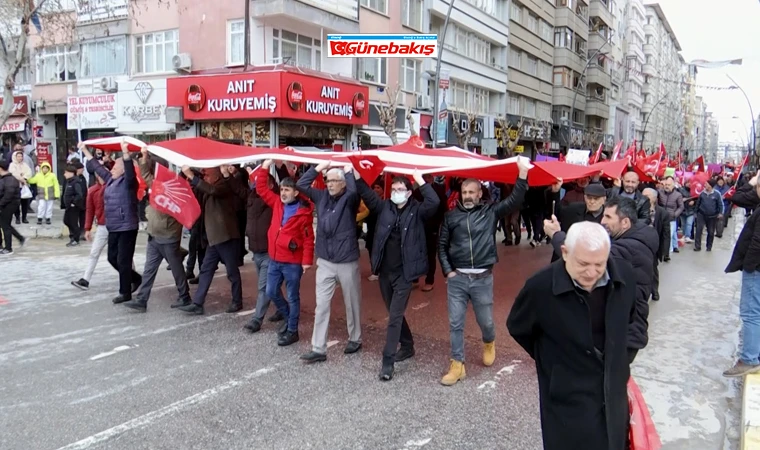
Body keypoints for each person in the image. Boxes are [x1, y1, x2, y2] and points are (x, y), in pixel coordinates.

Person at [507, 221, 637, 450]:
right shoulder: (541, 286)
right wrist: (553, 360)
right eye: (584, 263)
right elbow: (518, 326)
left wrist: (621, 359)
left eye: (600, 264)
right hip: (566, 396)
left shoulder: (624, 275)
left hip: (612, 390)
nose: (592, 272)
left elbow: (632, 319)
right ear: (565, 253)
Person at [437, 157, 530, 386]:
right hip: (458, 279)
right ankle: (457, 365)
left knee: (486, 322)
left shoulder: (489, 212)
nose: (467, 195)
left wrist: (523, 175)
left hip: (482, 279)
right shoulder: (451, 217)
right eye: (464, 192)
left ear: (480, 194)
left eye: (472, 192)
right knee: (455, 323)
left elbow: (514, 201)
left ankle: (489, 341)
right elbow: (441, 245)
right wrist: (449, 271)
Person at [352, 166, 439, 381]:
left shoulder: (417, 210)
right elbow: (366, 192)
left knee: (394, 317)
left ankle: (387, 362)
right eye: (394, 188)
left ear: (409, 192)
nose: (396, 192)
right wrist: (352, 173)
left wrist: (419, 179)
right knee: (394, 312)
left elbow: (434, 202)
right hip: (385, 272)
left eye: (401, 188)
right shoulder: (384, 208)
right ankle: (408, 345)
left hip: (405, 273)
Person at [545, 196, 657, 361]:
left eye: (608, 217)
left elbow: (583, 251)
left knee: (605, 382)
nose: (602, 221)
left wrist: (556, 234)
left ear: (625, 223)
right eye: (603, 215)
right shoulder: (638, 238)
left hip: (623, 334)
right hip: (623, 329)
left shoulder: (629, 248)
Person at [297, 162, 362, 364]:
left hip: (346, 260)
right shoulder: (322, 196)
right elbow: (301, 184)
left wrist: (350, 172)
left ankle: (355, 338)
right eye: (328, 180)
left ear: (343, 183)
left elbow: (354, 190)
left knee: (352, 302)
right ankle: (318, 348)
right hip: (325, 260)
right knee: (321, 305)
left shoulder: (350, 198)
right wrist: (317, 168)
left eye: (334, 180)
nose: (330, 184)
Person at [123, 147, 192, 312]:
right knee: (149, 269)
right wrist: (144, 158)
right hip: (154, 235)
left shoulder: (176, 189)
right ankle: (141, 299)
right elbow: (146, 175)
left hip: (168, 237)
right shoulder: (157, 184)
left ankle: (185, 297)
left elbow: (183, 210)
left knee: (176, 270)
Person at [254, 160, 315, 346]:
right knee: (271, 291)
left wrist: (306, 261)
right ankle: (289, 319)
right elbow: (261, 189)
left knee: (292, 296)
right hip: (274, 259)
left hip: (292, 262)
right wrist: (265, 167)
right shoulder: (277, 204)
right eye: (281, 190)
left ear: (296, 192)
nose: (283, 193)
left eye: (287, 190)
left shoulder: (303, 212)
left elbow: (308, 239)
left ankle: (292, 330)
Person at [82, 142, 143, 303]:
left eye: (116, 167)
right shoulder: (110, 180)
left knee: (124, 259)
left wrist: (125, 153)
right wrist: (85, 151)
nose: (112, 169)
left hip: (127, 226)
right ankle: (136, 278)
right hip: (113, 225)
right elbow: (97, 168)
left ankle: (125, 292)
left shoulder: (130, 183)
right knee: (112, 258)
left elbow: (129, 171)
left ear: (123, 170)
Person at [178, 164, 243, 315]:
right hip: (215, 237)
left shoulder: (223, 186)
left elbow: (212, 190)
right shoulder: (210, 186)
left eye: (207, 175)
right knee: (206, 270)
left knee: (232, 272)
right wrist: (188, 178)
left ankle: (237, 301)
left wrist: (193, 177)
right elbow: (201, 192)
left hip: (226, 236)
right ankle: (198, 303)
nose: (205, 178)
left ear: (216, 175)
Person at [724, 173, 760, 376]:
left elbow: (757, 243)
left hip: (757, 269)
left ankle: (749, 359)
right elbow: (738, 197)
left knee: (751, 313)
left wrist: (749, 266)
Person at [642, 188, 670, 301]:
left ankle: (654, 290)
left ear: (654, 198)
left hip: (653, 245)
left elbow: (666, 234)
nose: (644, 198)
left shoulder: (663, 213)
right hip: (640, 243)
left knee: (653, 269)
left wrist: (665, 252)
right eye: (643, 195)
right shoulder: (637, 208)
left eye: (647, 196)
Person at [0, 160, 25, 254]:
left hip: (9, 205)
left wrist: (0, 204)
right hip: (5, 204)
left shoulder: (10, 179)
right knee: (4, 224)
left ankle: (8, 248)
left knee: (5, 226)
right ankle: (20, 238)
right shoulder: (3, 178)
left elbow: (8, 195)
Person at [693, 179, 723, 252]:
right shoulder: (702, 193)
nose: (705, 185)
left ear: (710, 185)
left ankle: (709, 246)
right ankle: (697, 246)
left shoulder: (717, 194)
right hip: (701, 214)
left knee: (711, 232)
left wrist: (720, 213)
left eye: (706, 184)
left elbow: (720, 204)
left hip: (712, 216)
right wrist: (695, 213)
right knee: (698, 230)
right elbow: (698, 203)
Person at [658, 176, 684, 254]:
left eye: (669, 185)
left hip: (671, 218)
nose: (667, 186)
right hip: (662, 217)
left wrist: (675, 214)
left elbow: (681, 206)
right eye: (665, 184)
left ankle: (668, 252)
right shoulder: (660, 192)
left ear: (673, 186)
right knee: (667, 234)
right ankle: (673, 246)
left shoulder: (678, 195)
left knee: (669, 234)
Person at [61, 164, 85, 247]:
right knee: (66, 221)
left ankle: (76, 239)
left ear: (71, 173)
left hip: (74, 207)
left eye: (66, 173)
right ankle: (72, 237)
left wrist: (73, 203)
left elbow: (79, 195)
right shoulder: (69, 182)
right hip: (68, 206)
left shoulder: (76, 182)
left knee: (73, 223)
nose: (64, 174)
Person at [8, 151, 32, 224]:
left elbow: (29, 172)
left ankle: (24, 218)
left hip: (24, 185)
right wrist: (21, 179)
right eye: (18, 156)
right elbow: (13, 173)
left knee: (25, 203)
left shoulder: (25, 165)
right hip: (15, 186)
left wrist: (24, 178)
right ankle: (17, 218)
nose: (20, 158)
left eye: (21, 156)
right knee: (16, 203)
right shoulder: (12, 165)